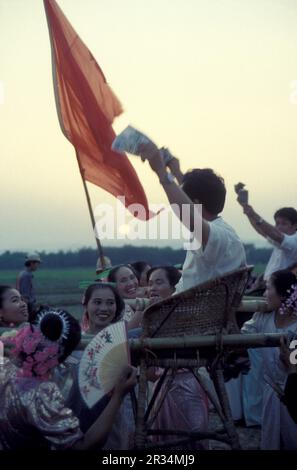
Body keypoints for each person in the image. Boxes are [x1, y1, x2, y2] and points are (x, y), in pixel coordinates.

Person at [0, 308, 137, 449]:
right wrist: (118, 396)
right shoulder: (41, 393)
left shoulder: (3, 367)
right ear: (61, 356)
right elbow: (82, 446)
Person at [138, 144, 246, 292]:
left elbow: (187, 211)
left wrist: (161, 172)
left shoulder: (221, 237)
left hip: (193, 313)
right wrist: (175, 170)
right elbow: (191, 199)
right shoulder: (222, 232)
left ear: (195, 204)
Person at [146, 266, 209, 449]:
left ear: (174, 288)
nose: (153, 288)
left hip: (187, 384)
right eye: (150, 284)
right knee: (163, 441)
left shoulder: (186, 314)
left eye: (159, 282)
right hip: (160, 388)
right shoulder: (149, 316)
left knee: (192, 435)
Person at [67, 283, 134, 449]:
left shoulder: (127, 343)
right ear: (85, 303)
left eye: (110, 303)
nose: (104, 308)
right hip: (77, 420)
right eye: (97, 302)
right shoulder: (72, 345)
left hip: (114, 417)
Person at [241, 270, 297, 449]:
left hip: (294, 395)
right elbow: (242, 336)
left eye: (267, 288)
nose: (264, 294)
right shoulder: (262, 317)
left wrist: (290, 362)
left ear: (282, 293)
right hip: (271, 393)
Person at [236, 199, 297, 281]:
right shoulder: (280, 241)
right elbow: (261, 231)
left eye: (284, 223)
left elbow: (274, 234)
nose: (279, 227)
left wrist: (253, 214)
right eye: (277, 223)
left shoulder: (294, 241)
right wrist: (248, 213)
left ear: (295, 226)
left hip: (281, 291)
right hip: (267, 286)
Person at [16, 252, 41, 319]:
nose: (37, 265)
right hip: (28, 307)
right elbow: (24, 296)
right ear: (31, 263)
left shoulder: (23, 273)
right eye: (37, 263)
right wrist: (29, 310)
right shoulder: (26, 276)